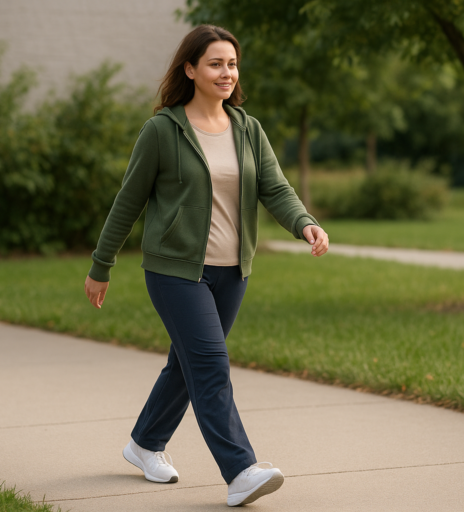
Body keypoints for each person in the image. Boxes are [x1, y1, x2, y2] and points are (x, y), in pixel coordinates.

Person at [84, 24, 329, 507]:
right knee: (211, 364)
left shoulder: (248, 129)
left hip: (232, 272)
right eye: (215, 64)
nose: (226, 73)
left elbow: (275, 188)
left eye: (232, 64)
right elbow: (128, 201)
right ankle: (240, 471)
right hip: (175, 271)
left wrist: (305, 223)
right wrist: (101, 265)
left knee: (187, 365)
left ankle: (145, 444)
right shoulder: (162, 130)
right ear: (190, 69)